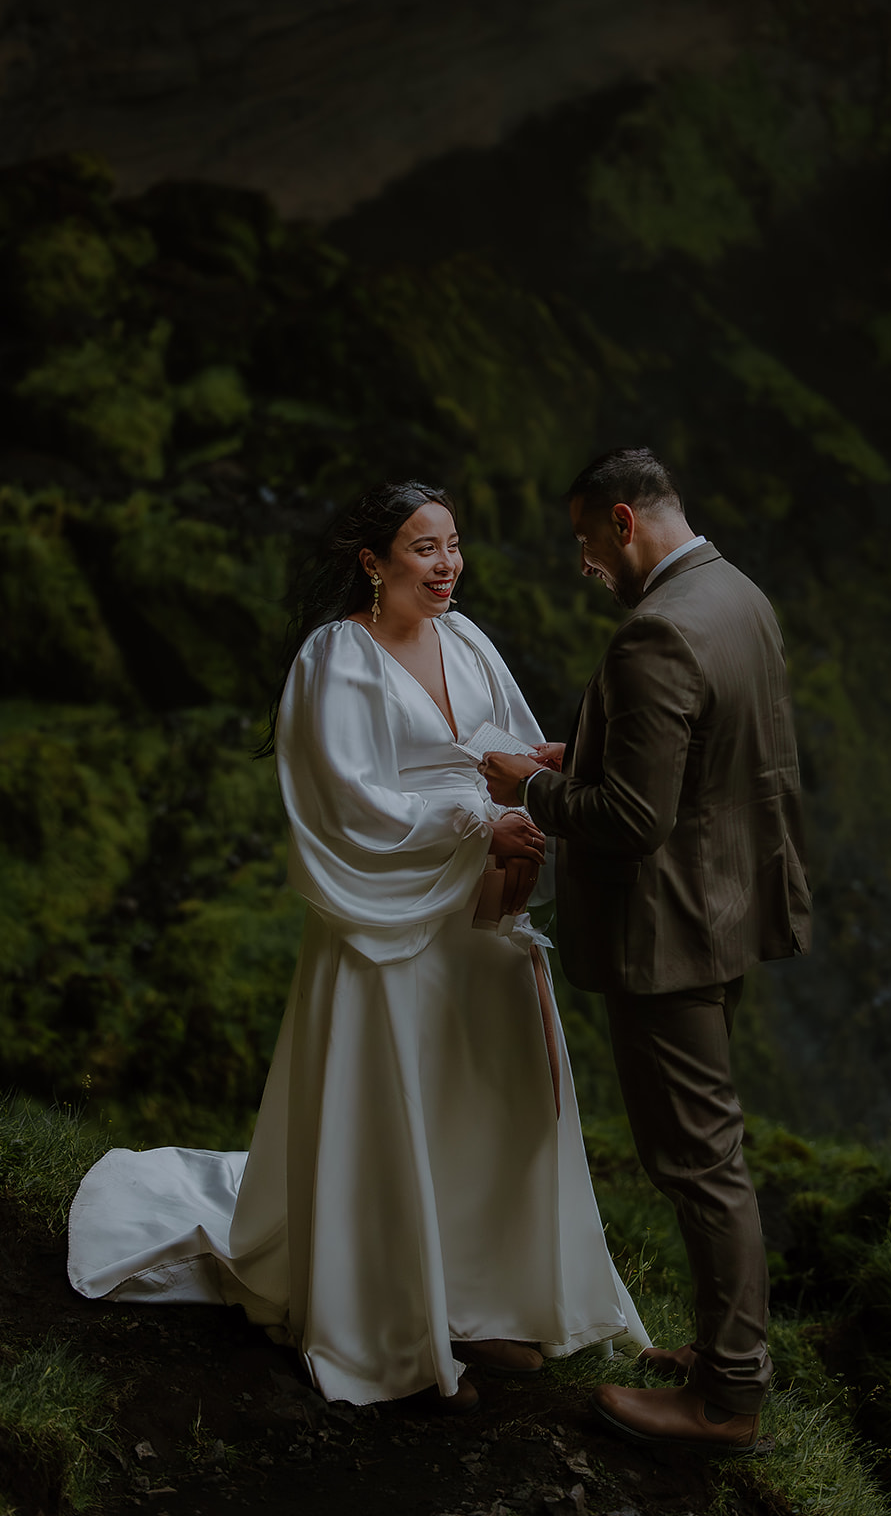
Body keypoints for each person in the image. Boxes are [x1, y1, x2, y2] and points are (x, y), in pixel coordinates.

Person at [67, 480, 649, 1413]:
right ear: (373, 563)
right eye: (425, 547)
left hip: (474, 914)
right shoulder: (334, 661)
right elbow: (349, 801)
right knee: (402, 1102)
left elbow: (493, 740)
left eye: (454, 544)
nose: (448, 564)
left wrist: (532, 769)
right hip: (390, 916)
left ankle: (486, 1300)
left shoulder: (466, 639)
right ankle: (389, 1316)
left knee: (485, 1100)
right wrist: (475, 819)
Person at [481, 447, 812, 1452]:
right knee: (712, 1151)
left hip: (667, 934)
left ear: (622, 521)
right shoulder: (735, 592)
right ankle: (722, 1357)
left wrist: (527, 788)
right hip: (727, 906)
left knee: (701, 1164)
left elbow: (630, 815)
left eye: (585, 541)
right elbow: (709, 752)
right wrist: (580, 750)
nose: (584, 564)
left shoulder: (653, 633)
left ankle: (726, 1400)